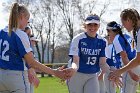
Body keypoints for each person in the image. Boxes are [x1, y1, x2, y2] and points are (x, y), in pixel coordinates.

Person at [0, 3, 66, 93]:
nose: (27, 23)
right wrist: (54, 72)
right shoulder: (20, 34)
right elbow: (31, 63)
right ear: (22, 16)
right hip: (16, 77)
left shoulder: (2, 32)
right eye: (27, 19)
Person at [64, 14, 121, 93]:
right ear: (85, 25)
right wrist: (73, 69)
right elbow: (75, 61)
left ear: (99, 25)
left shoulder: (103, 41)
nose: (92, 27)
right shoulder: (78, 39)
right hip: (77, 74)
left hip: (92, 75)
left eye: (95, 24)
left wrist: (112, 73)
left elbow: (102, 63)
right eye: (89, 24)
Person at [109, 8, 140, 87]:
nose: (123, 26)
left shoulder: (118, 38)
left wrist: (119, 71)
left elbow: (136, 59)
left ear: (129, 20)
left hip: (131, 66)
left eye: (123, 23)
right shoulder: (134, 34)